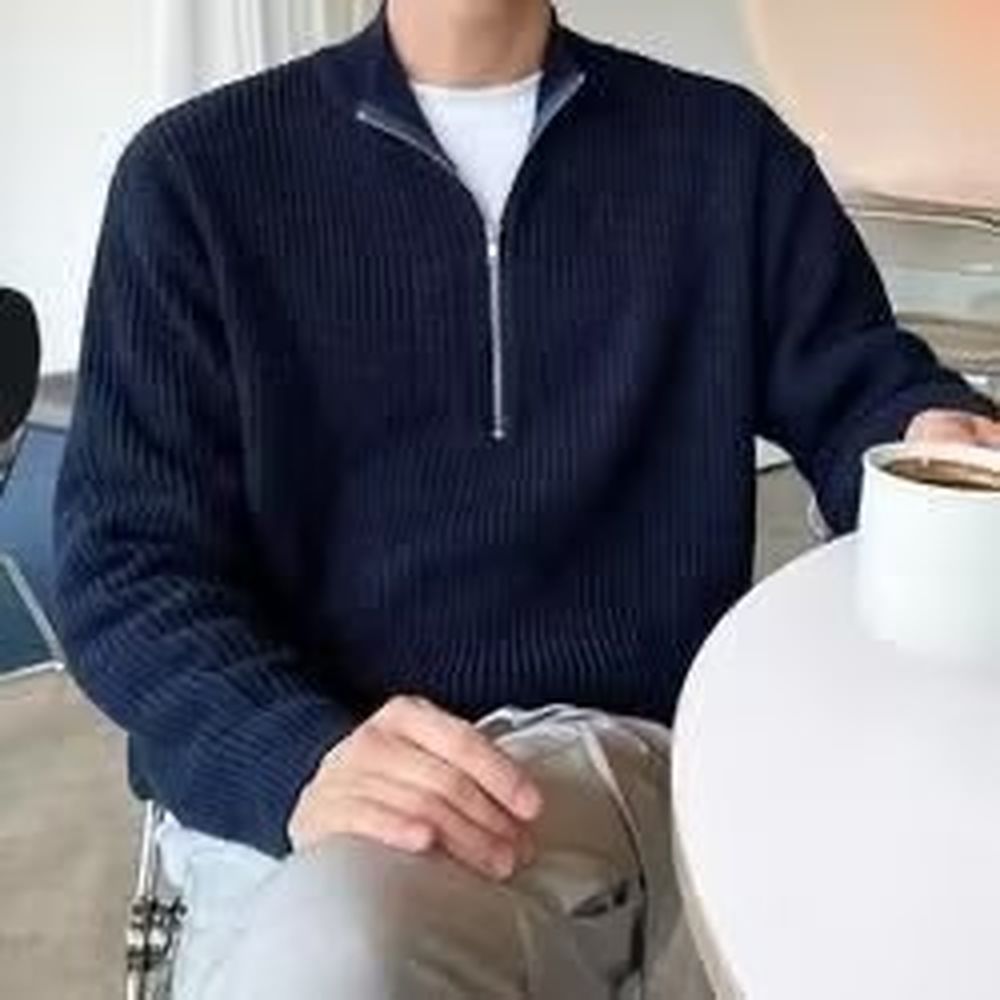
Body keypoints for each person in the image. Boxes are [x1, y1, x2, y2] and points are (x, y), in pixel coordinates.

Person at [55, 1, 1000, 997]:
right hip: (291, 777)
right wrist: (294, 755)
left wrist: (929, 431)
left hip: (590, 757)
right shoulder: (193, 178)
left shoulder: (727, 156)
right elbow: (125, 563)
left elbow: (861, 389)